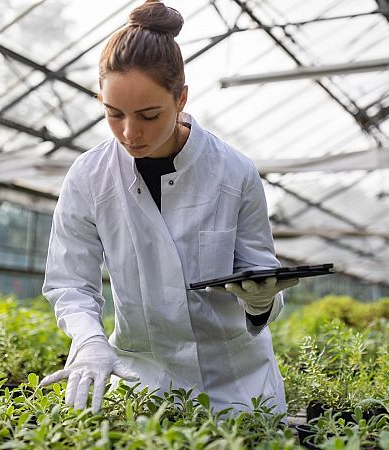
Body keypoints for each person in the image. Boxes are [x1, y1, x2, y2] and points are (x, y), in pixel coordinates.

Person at [39, 0, 298, 415]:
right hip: (143, 380)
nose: (129, 132)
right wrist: (89, 341)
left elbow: (261, 275)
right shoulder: (89, 177)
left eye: (148, 115)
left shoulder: (234, 172)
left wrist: (261, 297)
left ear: (181, 98)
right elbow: (70, 283)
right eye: (113, 114)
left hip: (236, 385)